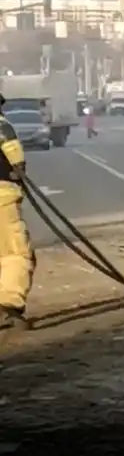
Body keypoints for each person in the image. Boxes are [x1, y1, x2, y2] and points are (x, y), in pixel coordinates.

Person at [0, 93, 35, 331]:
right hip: (2, 198)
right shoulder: (2, 126)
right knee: (15, 253)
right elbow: (16, 163)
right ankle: (9, 305)